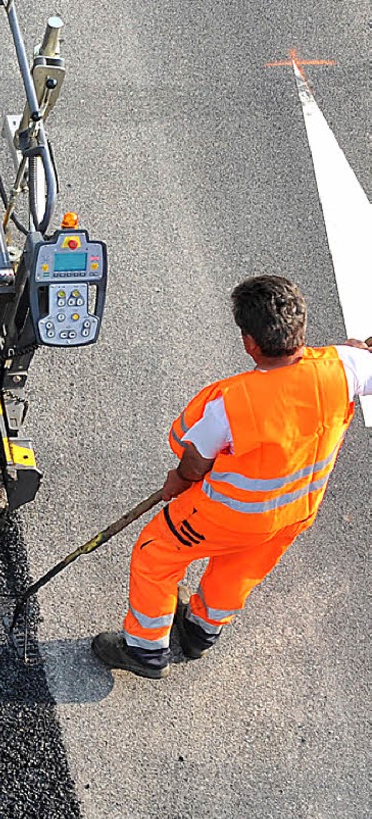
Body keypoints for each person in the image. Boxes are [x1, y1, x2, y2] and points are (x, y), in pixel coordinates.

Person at [92, 274, 372, 680]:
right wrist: (356, 355)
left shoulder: (230, 403)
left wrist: (178, 480)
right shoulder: (345, 368)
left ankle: (145, 648)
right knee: (239, 570)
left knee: (156, 553)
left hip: (224, 516)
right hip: (292, 513)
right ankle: (199, 632)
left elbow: (195, 461)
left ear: (250, 342)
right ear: (301, 327)